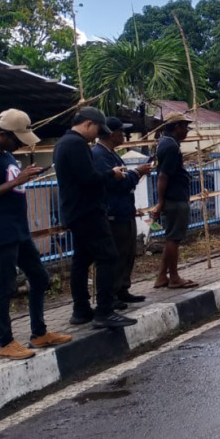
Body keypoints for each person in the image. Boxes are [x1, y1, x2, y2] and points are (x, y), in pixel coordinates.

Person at [0, 110, 73, 359]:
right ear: (3, 134)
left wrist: (26, 176)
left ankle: (39, 333)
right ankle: (4, 342)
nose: (21, 145)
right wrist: (16, 181)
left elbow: (12, 185)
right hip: (1, 231)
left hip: (19, 230)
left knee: (40, 277)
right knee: (6, 285)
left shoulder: (6, 154)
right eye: (18, 139)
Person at [53, 106, 138, 329]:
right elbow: (88, 178)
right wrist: (112, 174)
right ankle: (104, 311)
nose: (97, 135)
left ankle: (81, 310)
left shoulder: (63, 143)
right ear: (89, 123)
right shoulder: (76, 144)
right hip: (88, 211)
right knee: (108, 256)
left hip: (75, 211)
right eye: (98, 129)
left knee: (82, 260)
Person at [92, 117, 152, 304]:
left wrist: (133, 175)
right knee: (116, 255)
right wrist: (137, 173)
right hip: (113, 214)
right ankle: (111, 293)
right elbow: (116, 183)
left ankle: (122, 289)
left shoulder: (111, 154)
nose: (124, 135)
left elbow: (124, 179)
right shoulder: (99, 156)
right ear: (111, 134)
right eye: (121, 132)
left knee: (128, 253)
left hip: (124, 211)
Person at [148, 112, 197, 290]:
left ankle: (162, 276)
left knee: (171, 237)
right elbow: (163, 176)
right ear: (177, 127)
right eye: (185, 127)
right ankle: (174, 278)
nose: (187, 131)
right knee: (173, 239)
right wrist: (161, 202)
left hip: (174, 197)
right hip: (174, 198)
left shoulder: (167, 143)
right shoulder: (170, 146)